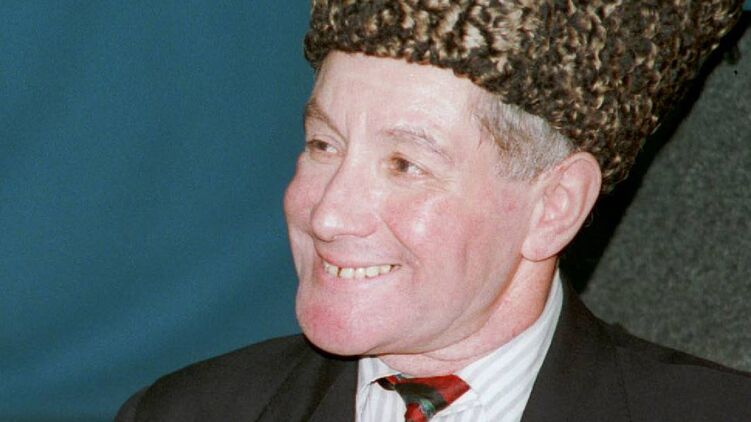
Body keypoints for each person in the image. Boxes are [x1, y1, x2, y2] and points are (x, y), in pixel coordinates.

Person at [117, 1, 751, 421]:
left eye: (404, 165)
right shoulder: (182, 413)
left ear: (553, 208)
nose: (328, 215)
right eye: (323, 145)